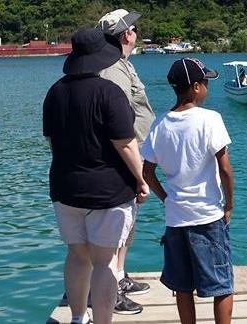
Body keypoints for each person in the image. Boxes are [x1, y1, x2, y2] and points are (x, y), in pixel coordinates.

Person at [42, 28, 149, 324]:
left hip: (65, 188)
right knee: (104, 263)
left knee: (77, 256)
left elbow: (52, 142)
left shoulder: (55, 92)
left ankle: (78, 318)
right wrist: (141, 180)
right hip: (108, 191)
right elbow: (126, 144)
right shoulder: (109, 92)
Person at [142, 58, 235, 324]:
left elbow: (147, 172)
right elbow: (225, 169)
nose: (207, 87)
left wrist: (167, 199)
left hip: (176, 219)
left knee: (182, 286)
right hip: (207, 216)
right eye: (205, 82)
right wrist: (228, 205)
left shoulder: (159, 124)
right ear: (195, 87)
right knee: (222, 283)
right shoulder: (210, 119)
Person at [97, 8, 155, 315]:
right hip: (123, 156)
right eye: (132, 29)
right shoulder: (113, 69)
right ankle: (112, 286)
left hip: (133, 152)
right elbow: (116, 120)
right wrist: (133, 165)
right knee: (118, 226)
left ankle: (120, 275)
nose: (135, 32)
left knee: (127, 223)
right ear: (126, 35)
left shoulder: (121, 64)